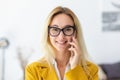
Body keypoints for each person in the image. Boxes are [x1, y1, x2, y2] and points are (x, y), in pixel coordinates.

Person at [25, 6, 98, 80]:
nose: (61, 36)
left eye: (67, 29)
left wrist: (75, 68)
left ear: (75, 33)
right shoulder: (33, 70)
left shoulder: (92, 71)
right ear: (48, 33)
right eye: (55, 29)